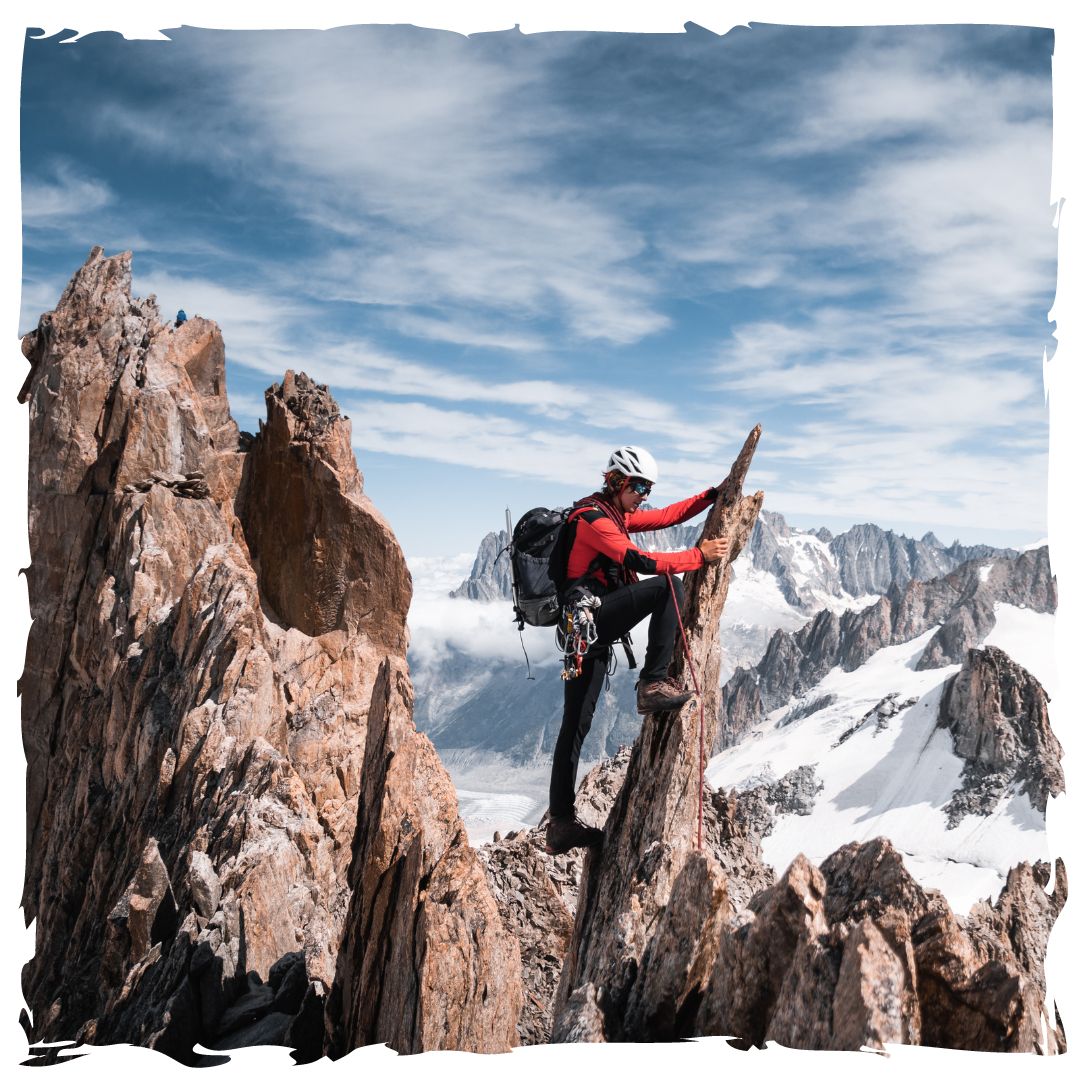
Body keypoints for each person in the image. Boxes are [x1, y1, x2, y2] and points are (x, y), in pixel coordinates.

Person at [546, 445, 728, 856]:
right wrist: (698, 557)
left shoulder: (615, 514)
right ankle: (652, 684)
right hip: (592, 625)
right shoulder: (593, 520)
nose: (644, 496)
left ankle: (559, 824)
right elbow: (638, 559)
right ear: (616, 481)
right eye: (639, 486)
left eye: (648, 488)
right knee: (667, 585)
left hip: (585, 632)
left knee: (575, 726)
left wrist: (711, 495)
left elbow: (667, 517)